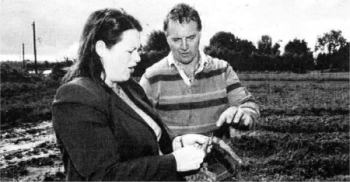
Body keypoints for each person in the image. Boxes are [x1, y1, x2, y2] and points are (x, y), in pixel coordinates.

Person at [52, 8, 209, 181]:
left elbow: (146, 147)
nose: (138, 58)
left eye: (138, 50)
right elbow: (103, 175)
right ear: (101, 48)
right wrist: (173, 163)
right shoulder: (76, 97)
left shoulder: (130, 87)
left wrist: (177, 145)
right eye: (130, 51)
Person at [140, 3, 260, 180]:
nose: (184, 46)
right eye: (176, 39)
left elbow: (249, 106)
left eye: (191, 37)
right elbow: (137, 129)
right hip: (173, 174)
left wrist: (243, 115)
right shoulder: (152, 78)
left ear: (200, 34)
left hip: (221, 173)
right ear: (166, 38)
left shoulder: (222, 70)